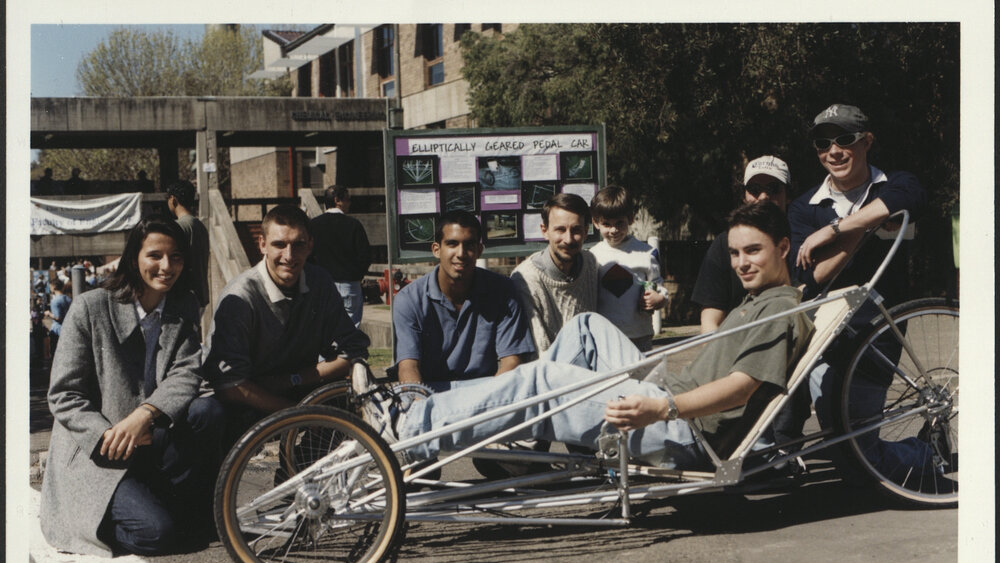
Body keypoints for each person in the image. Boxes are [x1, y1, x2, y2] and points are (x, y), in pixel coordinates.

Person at [356, 200, 814, 470]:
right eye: (735, 253)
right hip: (664, 398)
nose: (741, 263)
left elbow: (741, 390)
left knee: (540, 379)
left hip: (681, 430)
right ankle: (528, 425)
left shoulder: (779, 309)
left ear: (783, 248)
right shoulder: (760, 299)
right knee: (586, 327)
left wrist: (660, 406)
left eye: (753, 251)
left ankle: (407, 425)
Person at [40, 215, 224, 557]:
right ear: (134, 258)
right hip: (99, 451)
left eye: (176, 257)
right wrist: (110, 435)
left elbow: (186, 372)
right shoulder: (90, 308)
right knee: (157, 535)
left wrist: (146, 413)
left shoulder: (183, 306)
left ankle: (183, 506)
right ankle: (95, 519)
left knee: (207, 410)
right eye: (155, 255)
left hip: (150, 436)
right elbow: (64, 395)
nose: (166, 266)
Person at [789, 104, 930, 475]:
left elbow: (908, 198)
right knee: (842, 441)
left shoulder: (895, 183)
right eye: (822, 144)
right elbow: (811, 276)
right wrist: (858, 231)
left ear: (867, 142)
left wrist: (833, 231)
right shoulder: (805, 207)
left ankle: (926, 454)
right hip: (824, 336)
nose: (833, 151)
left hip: (877, 332)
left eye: (844, 140)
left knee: (858, 459)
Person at [204, 204, 370, 447]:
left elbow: (355, 350)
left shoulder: (320, 282)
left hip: (293, 386)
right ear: (262, 245)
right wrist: (298, 414)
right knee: (208, 414)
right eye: (279, 245)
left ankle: (301, 475)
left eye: (298, 245)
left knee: (350, 393)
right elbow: (230, 386)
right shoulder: (241, 297)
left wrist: (293, 380)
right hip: (246, 396)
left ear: (310, 245)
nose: (289, 256)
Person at [391, 210, 535, 391]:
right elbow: (408, 366)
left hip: (487, 389)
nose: (461, 253)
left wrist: (484, 402)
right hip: (431, 392)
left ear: (479, 250)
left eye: (469, 245)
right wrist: (419, 402)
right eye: (452, 244)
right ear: (436, 249)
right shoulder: (409, 299)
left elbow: (512, 360)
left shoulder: (503, 291)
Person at [693, 155, 792, 334]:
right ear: (745, 196)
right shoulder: (724, 244)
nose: (763, 196)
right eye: (754, 189)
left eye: (773, 188)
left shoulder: (803, 239)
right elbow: (710, 320)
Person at [511, 193, 598, 351]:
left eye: (576, 230)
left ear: (586, 231)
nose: (568, 239)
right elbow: (540, 350)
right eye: (560, 230)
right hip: (551, 369)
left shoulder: (591, 263)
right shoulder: (526, 279)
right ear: (545, 230)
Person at [589, 185, 668, 351]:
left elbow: (658, 286)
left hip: (639, 335)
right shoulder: (592, 256)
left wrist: (659, 299)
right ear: (596, 223)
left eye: (619, 223)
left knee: (641, 374)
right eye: (606, 224)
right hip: (605, 336)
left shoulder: (646, 253)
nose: (613, 230)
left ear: (631, 219)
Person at [308, 185, 371, 327]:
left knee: (324, 326)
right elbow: (365, 255)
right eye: (348, 199)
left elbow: (307, 255)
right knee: (350, 327)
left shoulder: (313, 225)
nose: (350, 203)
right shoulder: (354, 225)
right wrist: (356, 276)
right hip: (349, 283)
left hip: (322, 283)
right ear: (338, 200)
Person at [166, 180, 210, 310]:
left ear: (173, 200)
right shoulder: (200, 225)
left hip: (185, 297)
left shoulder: (179, 227)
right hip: (200, 294)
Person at [45, 279, 72, 355]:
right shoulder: (69, 299)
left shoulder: (55, 301)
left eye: (50, 286)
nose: (50, 288)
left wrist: (49, 313)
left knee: (55, 353)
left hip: (57, 329)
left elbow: (58, 317)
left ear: (54, 287)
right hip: (67, 329)